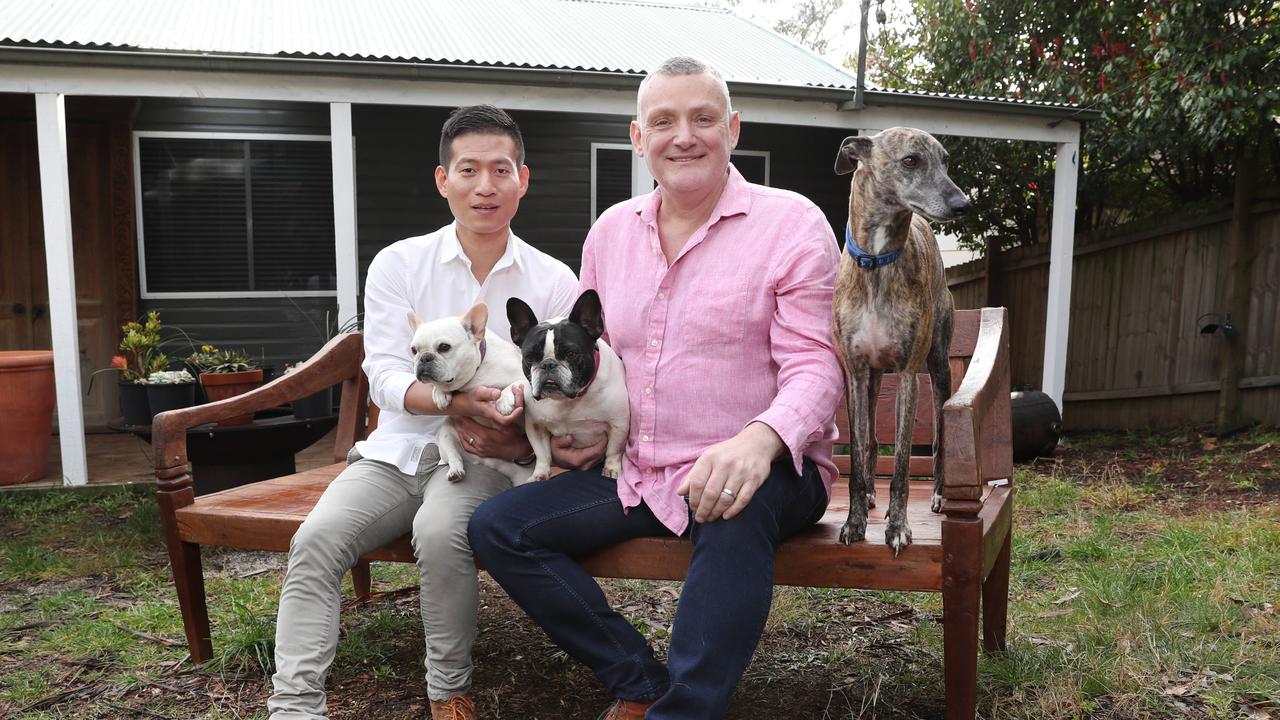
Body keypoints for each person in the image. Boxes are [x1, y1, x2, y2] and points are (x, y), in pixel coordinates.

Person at [468, 57, 844, 719]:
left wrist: (757, 442)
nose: (684, 136)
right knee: (500, 527)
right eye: (663, 121)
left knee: (731, 503)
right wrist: (575, 431)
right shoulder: (611, 233)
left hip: (768, 467)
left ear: (731, 128)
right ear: (638, 139)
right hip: (639, 467)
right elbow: (594, 359)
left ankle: (685, 712)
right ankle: (641, 680)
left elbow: (818, 367)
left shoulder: (792, 225)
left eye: (703, 119)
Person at [268, 105, 579, 720]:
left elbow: (566, 390)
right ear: (444, 180)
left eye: (500, 169)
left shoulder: (552, 280)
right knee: (316, 540)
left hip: (486, 454)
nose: (484, 185)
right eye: (468, 170)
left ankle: (448, 693)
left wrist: (512, 429)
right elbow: (382, 372)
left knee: (440, 536)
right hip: (396, 451)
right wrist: (453, 400)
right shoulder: (399, 263)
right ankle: (294, 707)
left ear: (524, 178)